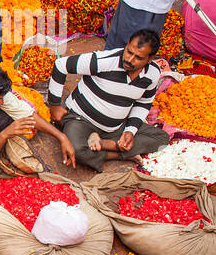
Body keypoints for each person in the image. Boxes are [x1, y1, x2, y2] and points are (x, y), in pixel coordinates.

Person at [47, 30, 171, 171]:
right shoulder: (104, 61)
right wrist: (55, 106)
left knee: (162, 138)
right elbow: (61, 65)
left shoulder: (152, 73)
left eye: (138, 57)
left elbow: (144, 102)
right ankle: (119, 153)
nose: (129, 60)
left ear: (149, 59)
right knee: (76, 150)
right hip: (80, 119)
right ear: (126, 46)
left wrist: (130, 131)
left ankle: (105, 144)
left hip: (115, 127)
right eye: (129, 52)